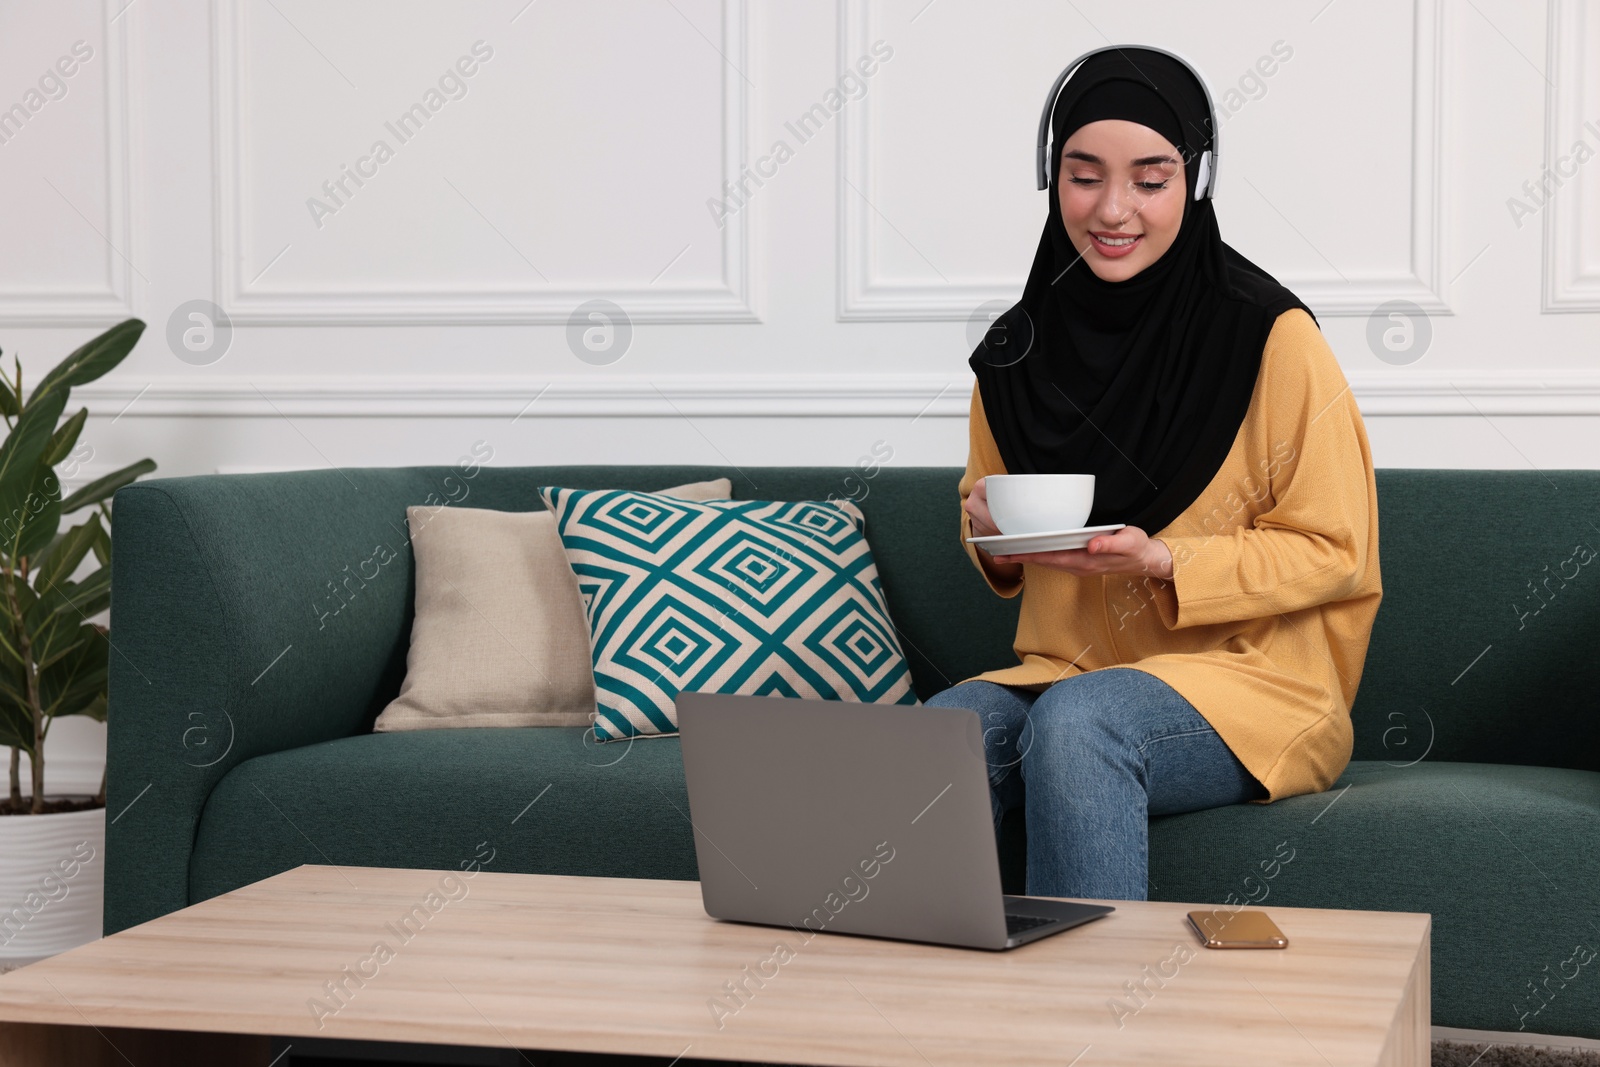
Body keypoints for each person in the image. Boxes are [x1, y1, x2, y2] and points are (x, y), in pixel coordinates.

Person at [924, 48, 1382, 902]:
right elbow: (983, 502)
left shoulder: (1271, 338)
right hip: (1070, 670)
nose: (1112, 209)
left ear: (1196, 181)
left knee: (1081, 723)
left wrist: (1168, 561)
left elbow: (1336, 549)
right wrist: (990, 536)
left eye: (1151, 178)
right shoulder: (1016, 350)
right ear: (1050, 178)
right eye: (1083, 175)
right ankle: (916, 1017)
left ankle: (1096, 1027)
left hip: (1257, 688)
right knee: (947, 727)